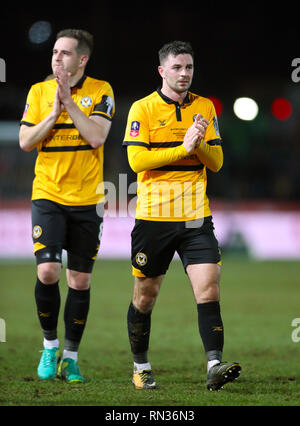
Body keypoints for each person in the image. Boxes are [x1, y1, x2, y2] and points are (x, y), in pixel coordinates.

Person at [123, 40, 241, 391]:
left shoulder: (204, 106)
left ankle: (214, 366)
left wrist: (200, 142)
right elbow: (136, 162)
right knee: (145, 296)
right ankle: (140, 366)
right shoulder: (141, 109)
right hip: (153, 218)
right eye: (177, 67)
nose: (184, 73)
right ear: (162, 71)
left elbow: (216, 163)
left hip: (195, 218)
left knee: (209, 288)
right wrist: (183, 148)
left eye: (189, 67)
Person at [19, 29, 115, 383]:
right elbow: (25, 141)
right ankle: (49, 346)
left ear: (82, 60)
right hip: (48, 194)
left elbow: (96, 136)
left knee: (80, 280)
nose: (57, 58)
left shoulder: (101, 91)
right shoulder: (38, 92)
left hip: (88, 199)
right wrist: (54, 111)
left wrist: (70, 104)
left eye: (65, 53)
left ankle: (70, 358)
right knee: (48, 272)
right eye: (55, 52)